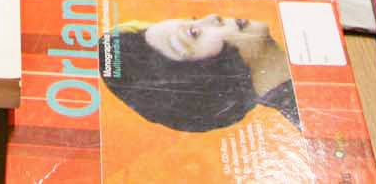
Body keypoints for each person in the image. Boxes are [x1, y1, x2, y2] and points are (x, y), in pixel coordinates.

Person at [101, 15, 300, 132]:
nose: (213, 17)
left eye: (193, 20)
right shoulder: (310, 113)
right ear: (204, 79)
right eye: (194, 33)